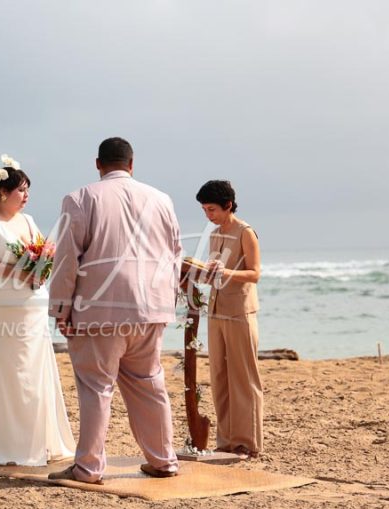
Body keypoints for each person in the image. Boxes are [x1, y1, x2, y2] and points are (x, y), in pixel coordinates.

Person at [47, 138, 182, 484]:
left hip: (98, 311)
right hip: (152, 308)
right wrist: (168, 301)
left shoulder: (80, 198)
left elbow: (66, 257)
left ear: (98, 164)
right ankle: (163, 460)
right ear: (132, 164)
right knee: (149, 384)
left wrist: (61, 308)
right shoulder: (161, 199)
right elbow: (174, 254)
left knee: (96, 387)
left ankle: (89, 467)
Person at [0, 154, 75, 466]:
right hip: (1, 303)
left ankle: (42, 442)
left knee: (36, 367)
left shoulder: (28, 221)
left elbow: (42, 252)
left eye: (27, 191)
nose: (26, 196)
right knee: (13, 369)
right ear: (2, 192)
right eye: (21, 190)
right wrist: (19, 273)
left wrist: (42, 269)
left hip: (32, 302)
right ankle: (13, 445)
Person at [197, 179, 263, 459]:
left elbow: (255, 273)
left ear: (227, 206)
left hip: (240, 312)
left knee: (244, 377)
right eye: (204, 210)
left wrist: (225, 274)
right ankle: (225, 442)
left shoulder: (245, 232)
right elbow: (215, 272)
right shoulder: (214, 235)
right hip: (215, 311)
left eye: (211, 209)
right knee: (219, 377)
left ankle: (247, 443)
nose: (208, 215)